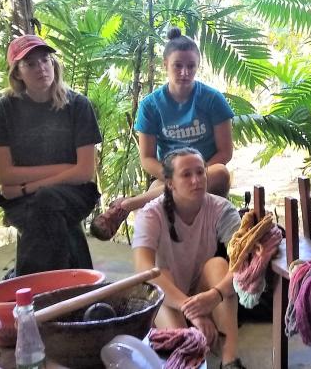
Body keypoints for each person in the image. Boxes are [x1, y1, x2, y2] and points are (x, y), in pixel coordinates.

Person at [91, 28, 235, 240]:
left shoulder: (212, 99)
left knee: (221, 172)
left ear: (197, 67)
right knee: (157, 206)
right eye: (178, 65)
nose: (185, 72)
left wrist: (193, 174)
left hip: (206, 174)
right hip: (166, 176)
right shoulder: (151, 105)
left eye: (191, 66)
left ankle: (130, 203)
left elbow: (225, 152)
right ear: (165, 64)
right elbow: (147, 158)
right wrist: (175, 177)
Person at [0, 34, 102, 276]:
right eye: (30, 64)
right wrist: (64, 168)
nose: (41, 68)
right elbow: (5, 174)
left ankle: (28, 289)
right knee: (45, 212)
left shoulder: (78, 105)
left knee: (45, 203)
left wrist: (27, 186)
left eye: (45, 60)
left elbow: (84, 172)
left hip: (74, 193)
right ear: (17, 73)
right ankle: (80, 285)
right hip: (19, 199)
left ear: (53, 64)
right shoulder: (4, 109)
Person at [132, 147, 244, 369]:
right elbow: (143, 268)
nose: (196, 180)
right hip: (166, 298)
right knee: (159, 272)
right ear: (170, 183)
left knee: (219, 265)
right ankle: (187, 344)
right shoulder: (151, 213)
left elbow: (244, 262)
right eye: (186, 175)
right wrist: (190, 309)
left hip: (201, 293)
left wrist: (215, 294)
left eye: (200, 172)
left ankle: (230, 359)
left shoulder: (221, 208)